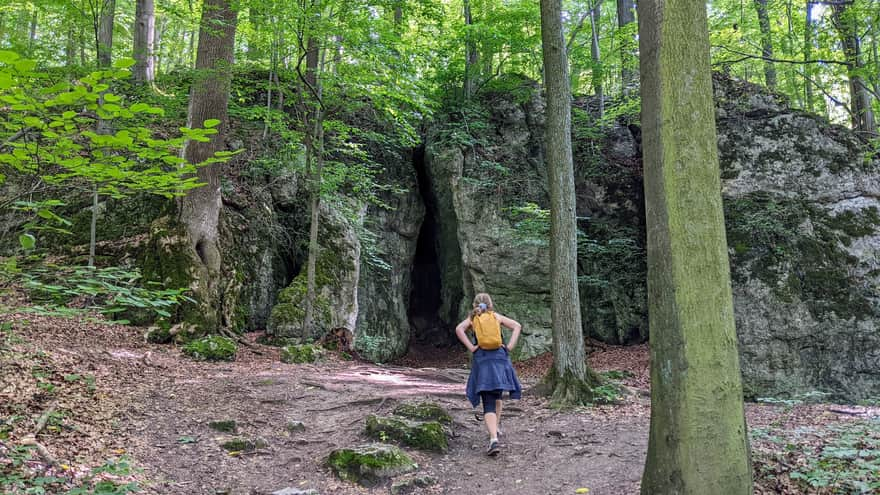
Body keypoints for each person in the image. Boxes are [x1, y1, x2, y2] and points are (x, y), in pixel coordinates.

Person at [455, 292, 522, 456]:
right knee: (497, 395)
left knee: (488, 400)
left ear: (475, 305)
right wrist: (510, 346)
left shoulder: (473, 319)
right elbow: (517, 326)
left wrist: (471, 347)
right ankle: (495, 428)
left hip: (483, 360)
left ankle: (493, 438)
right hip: (500, 358)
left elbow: (459, 329)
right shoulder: (496, 316)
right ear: (490, 304)